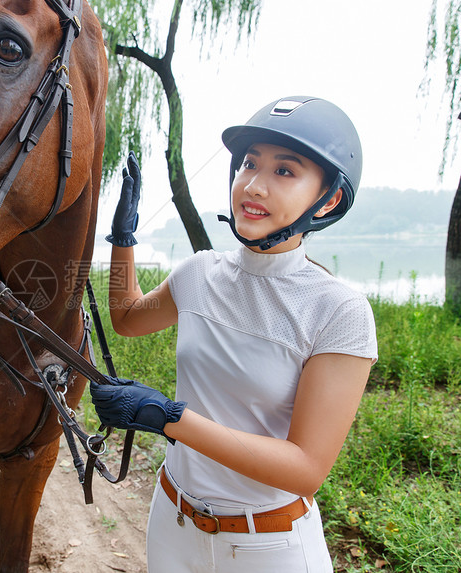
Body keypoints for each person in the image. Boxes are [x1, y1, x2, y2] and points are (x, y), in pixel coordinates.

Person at [91, 96, 378, 572]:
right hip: (172, 522)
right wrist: (124, 238)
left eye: (285, 171)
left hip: (268, 546)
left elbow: (306, 468)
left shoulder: (339, 312)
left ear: (328, 199)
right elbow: (127, 318)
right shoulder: (201, 273)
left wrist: (167, 417)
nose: (254, 185)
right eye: (249, 164)